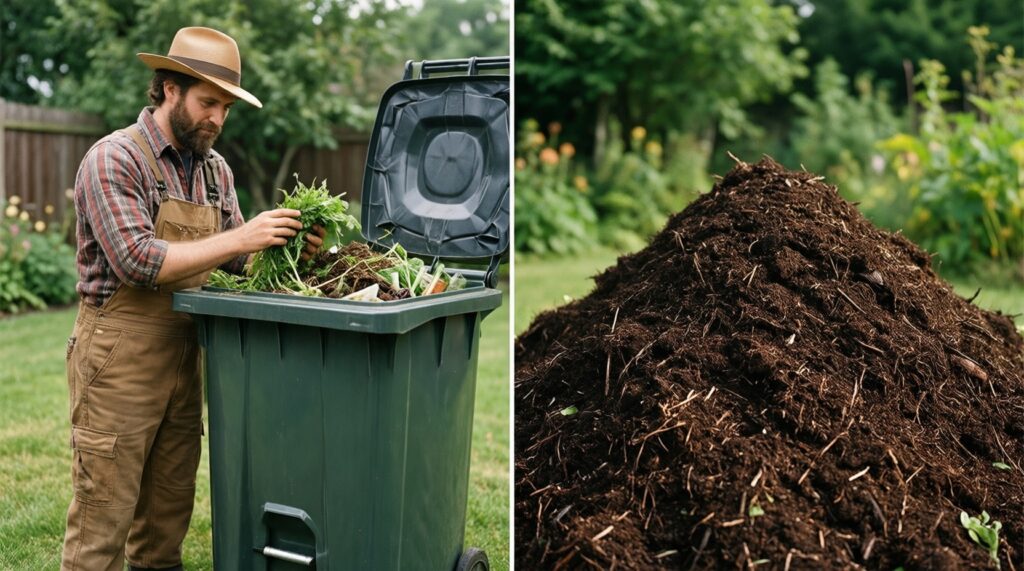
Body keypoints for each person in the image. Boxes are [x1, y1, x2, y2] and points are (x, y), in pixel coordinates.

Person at [61, 27, 323, 571]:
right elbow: (137, 261)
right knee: (100, 527)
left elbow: (234, 262)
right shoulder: (114, 159)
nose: (218, 119)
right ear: (169, 89)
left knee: (165, 526)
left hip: (187, 360)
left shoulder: (213, 170)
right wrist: (243, 234)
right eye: (208, 103)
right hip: (118, 362)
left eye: (226, 108)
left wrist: (288, 247)